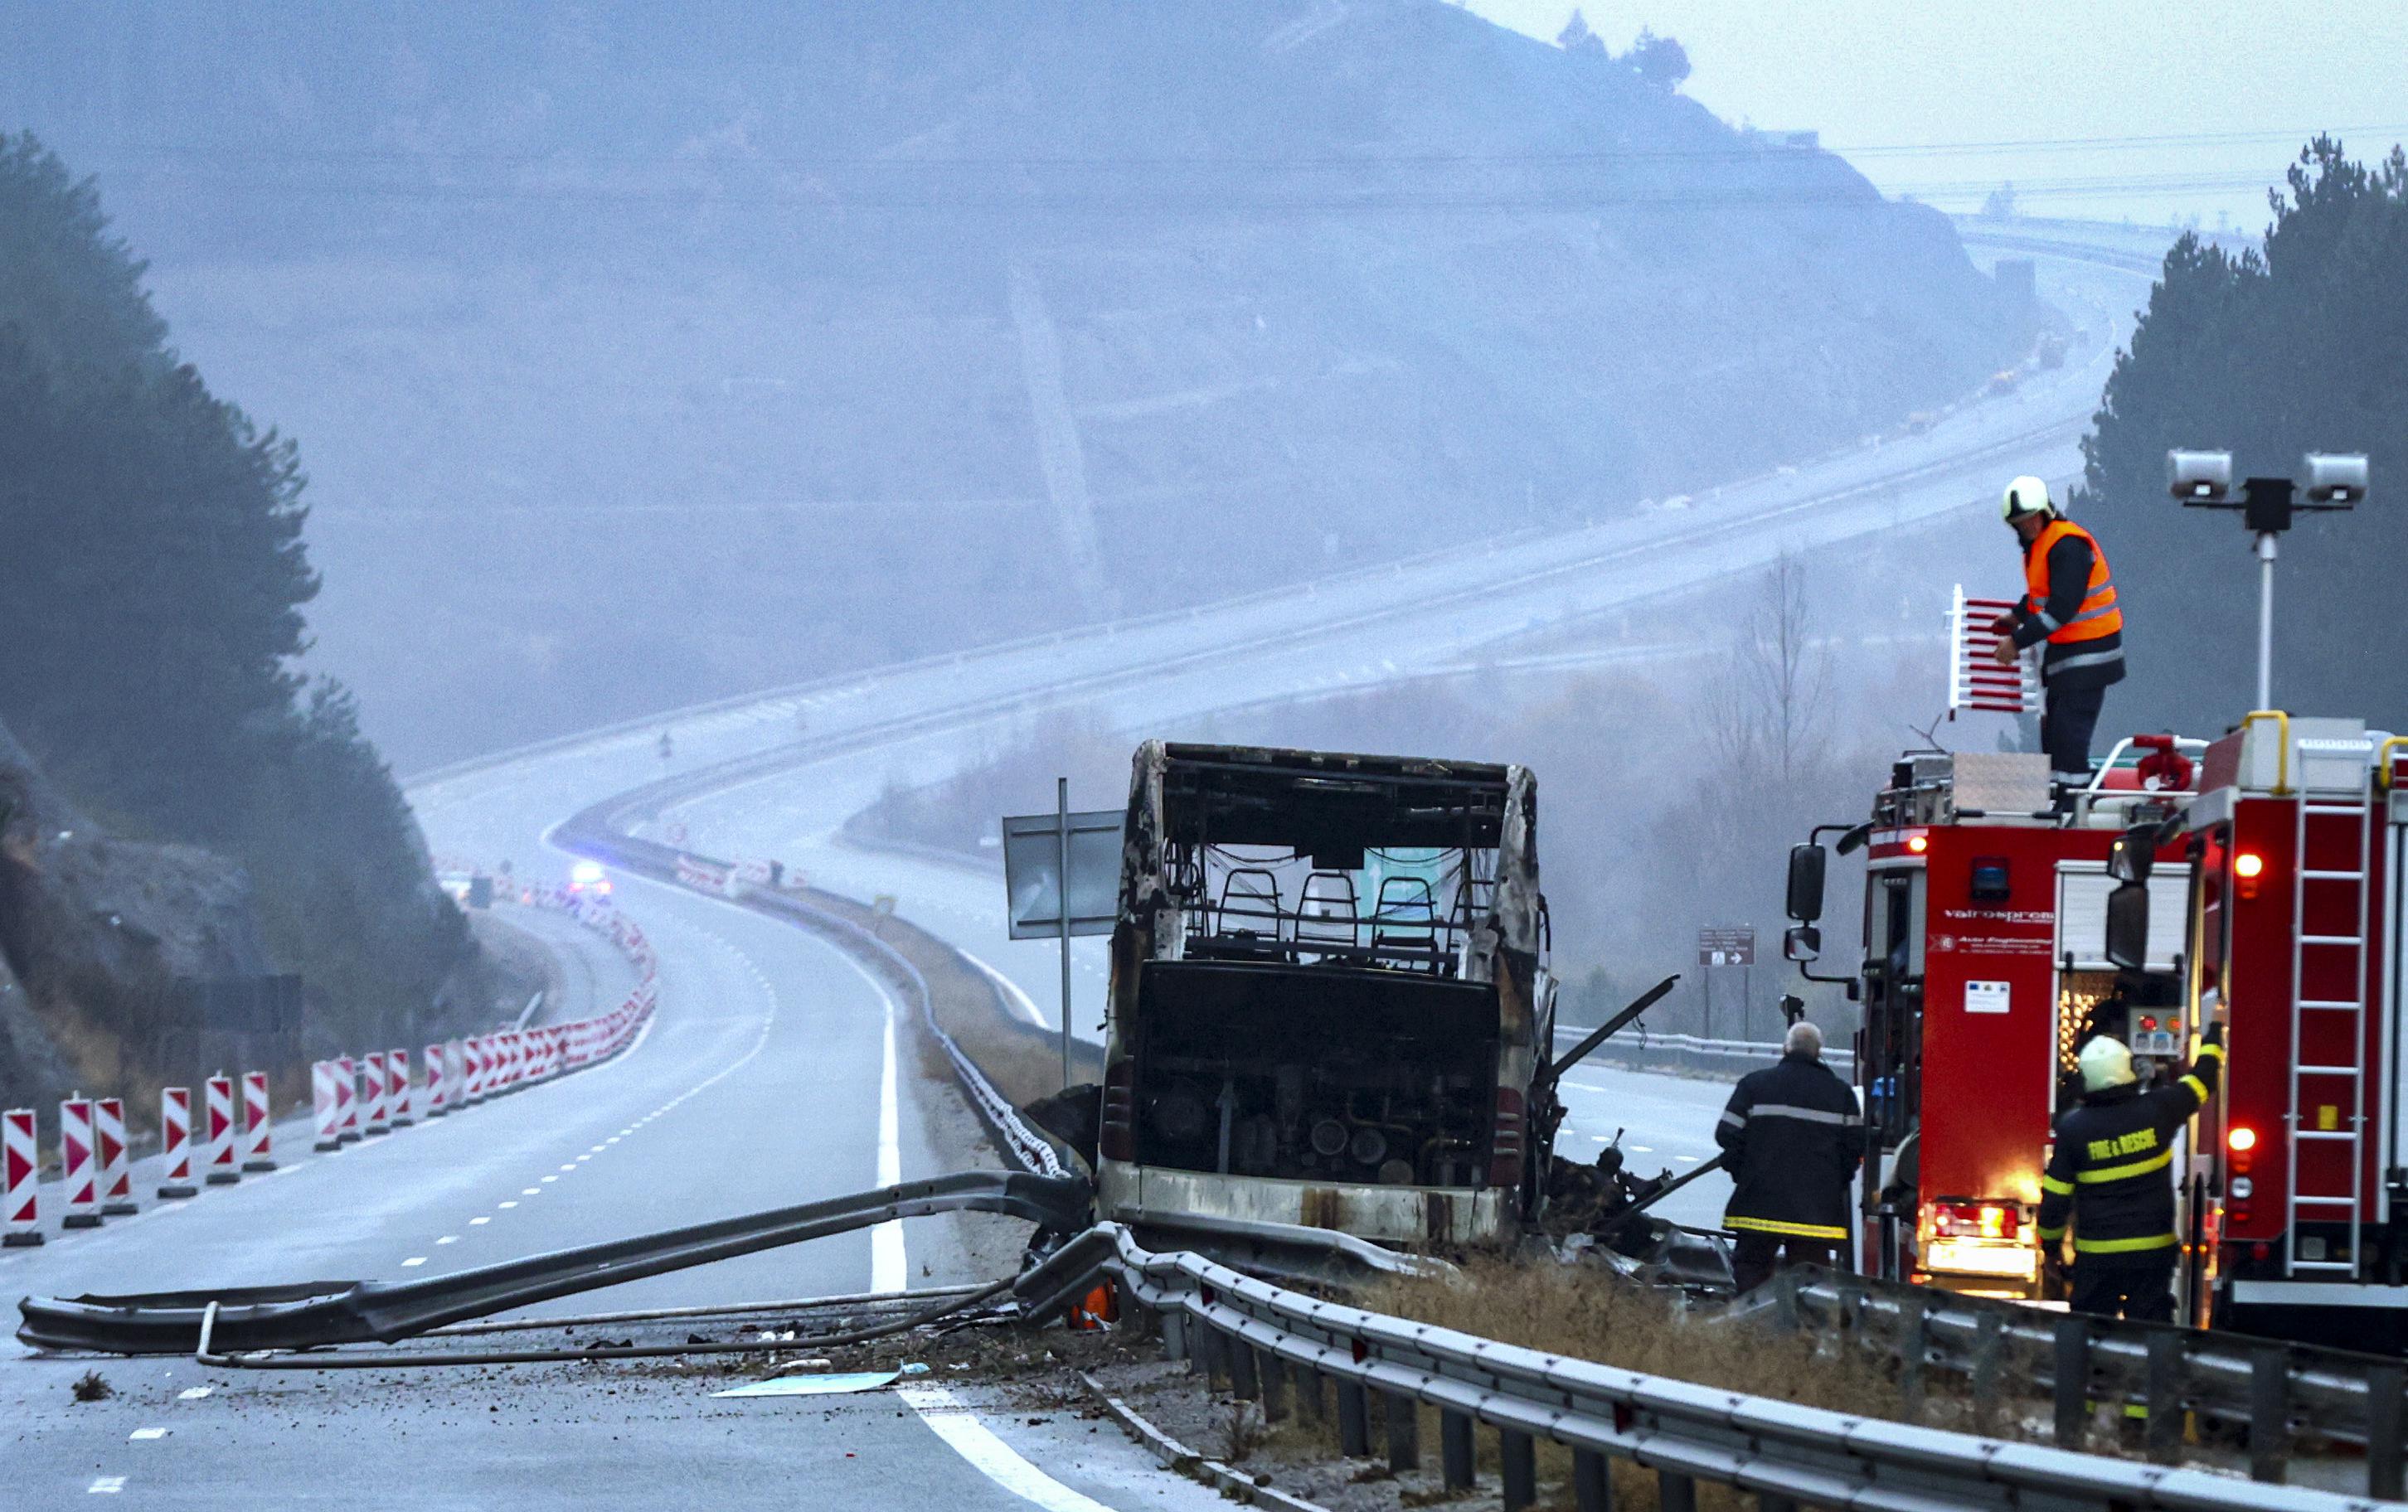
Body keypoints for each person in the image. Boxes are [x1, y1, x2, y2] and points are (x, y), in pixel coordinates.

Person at [2037, 1023, 2226, 1321]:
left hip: (2097, 1260)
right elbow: (2203, 1081)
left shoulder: (2074, 1130)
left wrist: (2050, 1249)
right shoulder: (2160, 1109)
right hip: (2152, 1255)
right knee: (2152, 1333)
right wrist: (2214, 1036)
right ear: (2129, 1070)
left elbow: (2055, 1200)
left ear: (2086, 1079)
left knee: (2090, 1333)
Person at [1987, 476, 2125, 792]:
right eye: (2020, 524)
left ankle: (2071, 802)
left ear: (2045, 513)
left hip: (2091, 654)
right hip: (2069, 656)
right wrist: (2018, 615)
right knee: (2056, 736)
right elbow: (2042, 597)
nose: (2027, 527)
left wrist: (2016, 642)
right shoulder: (2043, 546)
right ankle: (2061, 795)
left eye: (2030, 519)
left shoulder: (2067, 545)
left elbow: (2061, 609)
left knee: (2069, 736)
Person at [1715, 1020, 1863, 1291]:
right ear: (1819, 1052)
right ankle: (1802, 1330)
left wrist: (1743, 1173)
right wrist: (1832, 1184)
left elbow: (1727, 1135)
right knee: (1810, 1286)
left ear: (1785, 1048)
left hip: (1759, 1204)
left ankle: (1749, 1327)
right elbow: (1854, 1149)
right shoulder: (1841, 1094)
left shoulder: (1753, 1085)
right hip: (1815, 1212)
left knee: (1751, 1273)